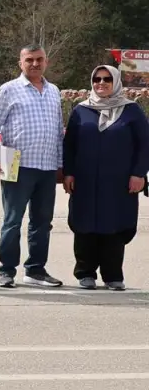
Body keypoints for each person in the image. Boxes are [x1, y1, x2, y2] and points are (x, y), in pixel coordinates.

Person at [62, 65, 149, 290]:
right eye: (97, 79)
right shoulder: (81, 110)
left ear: (116, 81)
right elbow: (69, 145)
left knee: (115, 225)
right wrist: (68, 172)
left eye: (107, 79)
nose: (101, 83)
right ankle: (85, 272)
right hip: (85, 180)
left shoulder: (131, 110)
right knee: (85, 224)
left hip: (118, 182)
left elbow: (144, 145)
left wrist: (139, 173)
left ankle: (113, 276)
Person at [0, 45, 65, 288]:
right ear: (20, 63)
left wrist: (61, 165)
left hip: (46, 166)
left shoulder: (54, 91)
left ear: (47, 62)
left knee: (42, 222)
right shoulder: (8, 90)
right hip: (15, 164)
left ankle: (35, 270)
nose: (35, 64)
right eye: (30, 60)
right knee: (13, 220)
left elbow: (58, 130)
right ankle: (7, 270)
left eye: (40, 59)